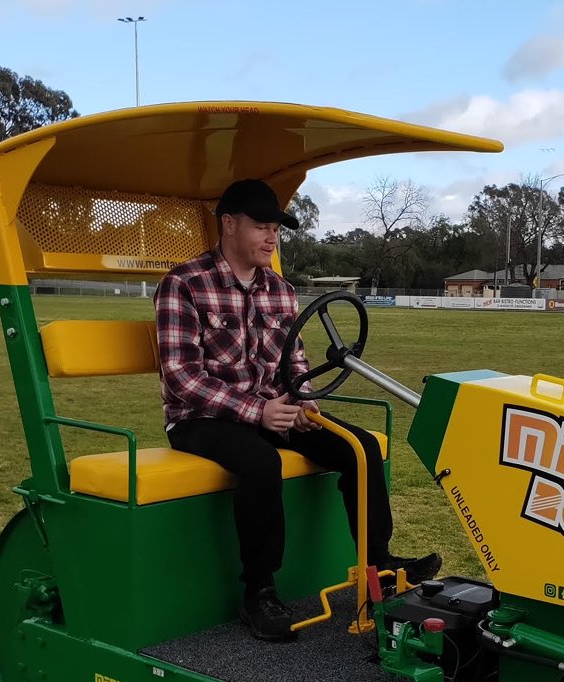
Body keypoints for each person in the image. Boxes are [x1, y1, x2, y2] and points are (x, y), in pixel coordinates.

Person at [154, 178, 441, 641]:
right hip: (199, 420)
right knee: (259, 461)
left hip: (273, 409)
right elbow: (181, 378)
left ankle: (379, 566)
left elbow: (296, 360)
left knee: (360, 446)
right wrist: (257, 411)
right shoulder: (184, 285)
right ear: (228, 225)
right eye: (262, 227)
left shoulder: (280, 290)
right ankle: (259, 592)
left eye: (276, 230)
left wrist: (304, 403)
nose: (271, 238)